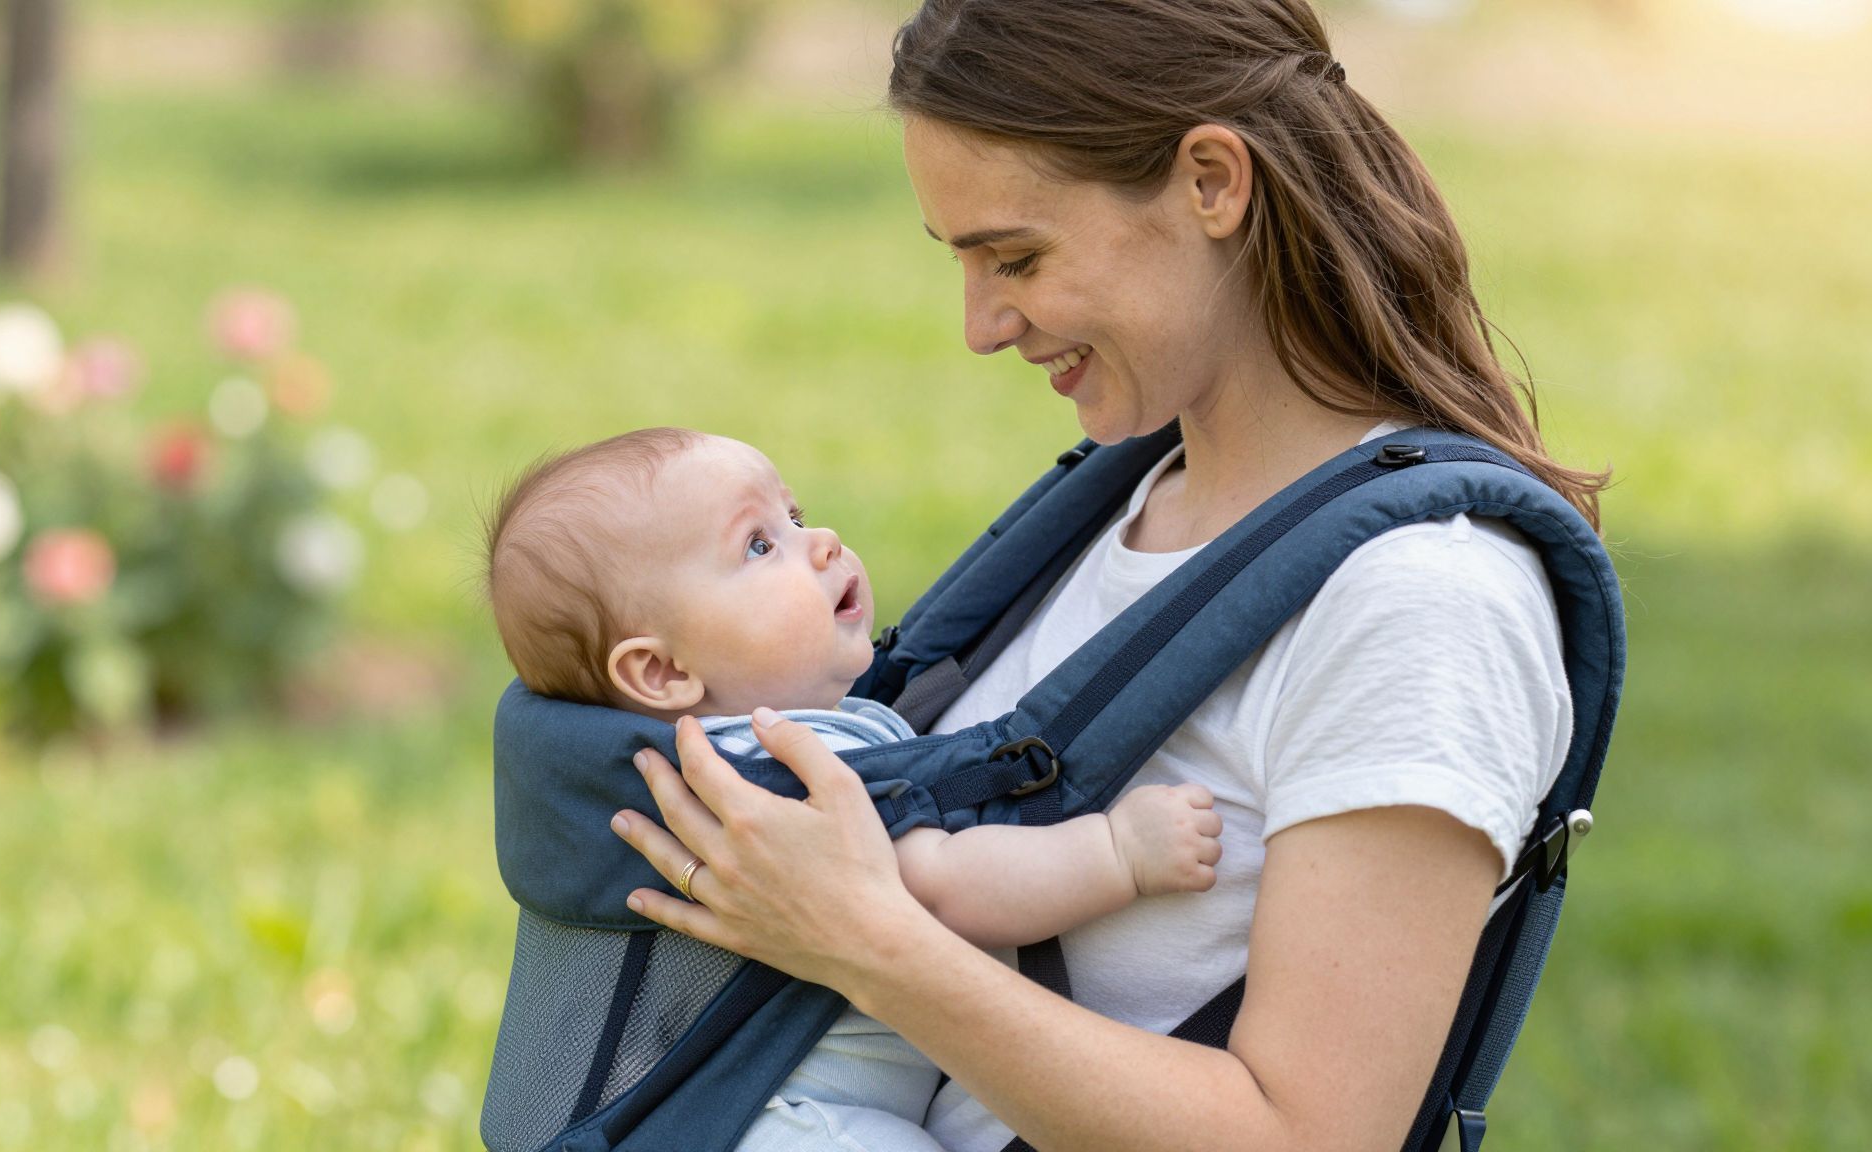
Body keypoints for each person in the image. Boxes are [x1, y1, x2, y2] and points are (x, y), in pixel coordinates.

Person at [610, 1, 1612, 1148]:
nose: (981, 326)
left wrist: (864, 941)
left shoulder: (1420, 602)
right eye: (963, 262)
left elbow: (1311, 1137)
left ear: (1210, 183)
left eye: (1016, 257)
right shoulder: (1119, 507)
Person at [484, 426, 1225, 1150]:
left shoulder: (710, 754)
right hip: (780, 1120)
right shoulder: (775, 774)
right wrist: (1117, 853)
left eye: (795, 516)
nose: (824, 540)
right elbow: (939, 889)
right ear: (664, 673)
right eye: (759, 545)